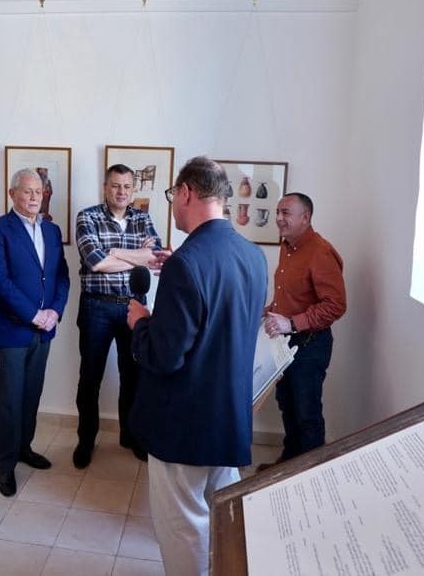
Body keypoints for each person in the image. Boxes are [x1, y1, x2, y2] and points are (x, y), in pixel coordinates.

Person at [126, 156, 267, 576]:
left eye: (173, 194)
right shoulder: (252, 255)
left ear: (186, 192)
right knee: (218, 517)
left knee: (183, 526)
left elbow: (164, 355)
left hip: (184, 422)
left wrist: (141, 323)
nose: (173, 203)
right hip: (228, 414)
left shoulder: (186, 263)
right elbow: (220, 320)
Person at [0, 168, 70, 497]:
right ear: (12, 193)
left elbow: (61, 277)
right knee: (9, 401)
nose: (34, 197)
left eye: (38, 191)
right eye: (27, 191)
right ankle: (5, 465)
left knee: (32, 395)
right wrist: (33, 315)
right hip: (11, 331)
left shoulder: (52, 230)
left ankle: (24, 448)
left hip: (43, 332)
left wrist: (55, 311)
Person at [72, 164, 160, 468]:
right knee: (90, 377)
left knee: (133, 376)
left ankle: (130, 436)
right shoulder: (87, 217)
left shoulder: (142, 217)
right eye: (115, 185)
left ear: (133, 190)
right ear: (105, 187)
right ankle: (85, 440)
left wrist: (114, 252)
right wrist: (135, 256)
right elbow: (95, 261)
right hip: (96, 306)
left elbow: (154, 257)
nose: (121, 192)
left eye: (126, 186)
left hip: (134, 307)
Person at [260, 192, 346, 468]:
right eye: (277, 212)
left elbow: (336, 305)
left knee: (307, 414)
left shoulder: (320, 251)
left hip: (310, 345)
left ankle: (309, 477)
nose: (278, 218)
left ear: (305, 217)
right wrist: (268, 310)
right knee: (287, 404)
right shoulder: (287, 246)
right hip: (286, 345)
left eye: (285, 213)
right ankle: (287, 467)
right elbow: (291, 297)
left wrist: (293, 323)